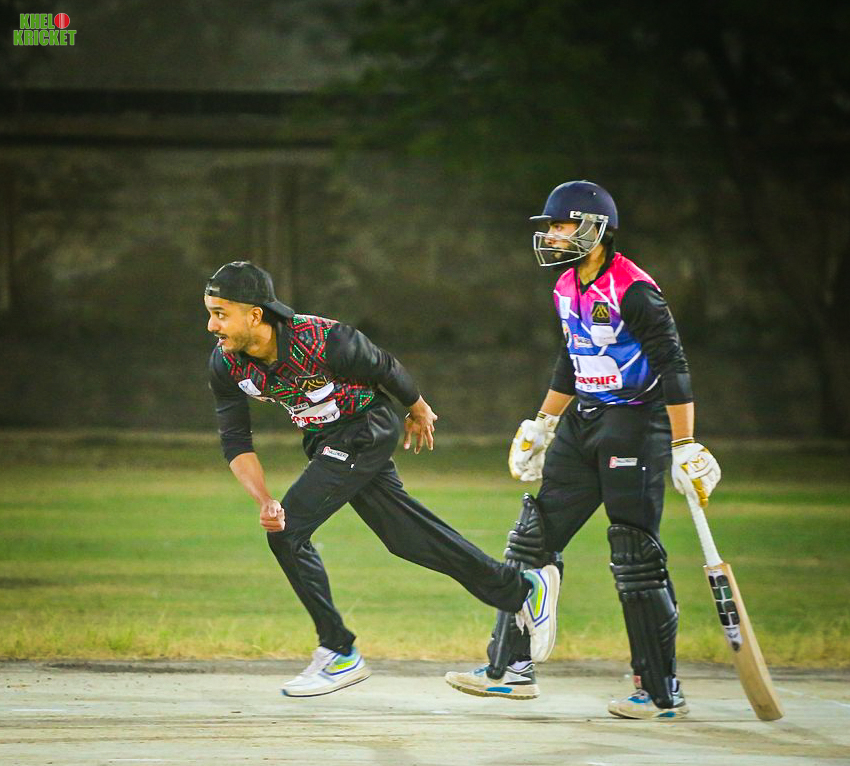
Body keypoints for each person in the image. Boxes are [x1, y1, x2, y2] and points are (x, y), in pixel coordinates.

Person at [203, 260, 560, 698]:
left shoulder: (323, 339)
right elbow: (235, 439)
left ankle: (339, 651)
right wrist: (264, 499)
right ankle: (522, 590)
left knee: (288, 533)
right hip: (326, 440)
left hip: (365, 429)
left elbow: (385, 366)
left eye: (220, 314)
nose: (211, 325)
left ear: (255, 315)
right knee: (404, 537)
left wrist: (418, 409)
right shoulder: (227, 364)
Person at [444, 180, 721, 719]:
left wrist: (685, 443)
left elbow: (674, 365)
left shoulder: (634, 289)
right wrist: (543, 423)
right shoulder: (566, 286)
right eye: (550, 227)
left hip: (635, 424)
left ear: (596, 229)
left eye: (562, 225)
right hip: (584, 420)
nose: (552, 235)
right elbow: (570, 359)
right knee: (532, 539)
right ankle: (510, 669)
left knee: (635, 554)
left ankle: (659, 690)